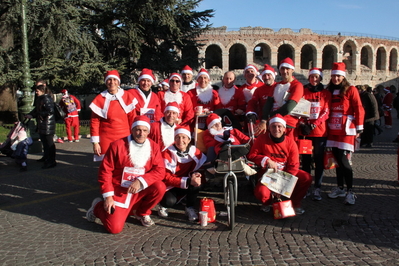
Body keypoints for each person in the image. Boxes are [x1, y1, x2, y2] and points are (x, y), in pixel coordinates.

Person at [86, 116, 166, 234]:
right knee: (114, 228)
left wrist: (141, 181)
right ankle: (97, 206)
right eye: (138, 130)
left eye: (144, 130)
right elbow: (105, 171)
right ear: (132, 130)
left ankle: (142, 213)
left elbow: (160, 170)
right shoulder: (117, 145)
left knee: (160, 187)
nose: (141, 134)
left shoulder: (153, 146)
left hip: (140, 188)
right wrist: (108, 196)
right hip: (120, 190)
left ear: (149, 132)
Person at [248, 115, 312, 214]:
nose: (276, 129)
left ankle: (295, 203)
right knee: (261, 193)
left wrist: (282, 186)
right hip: (268, 175)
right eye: (273, 126)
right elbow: (252, 155)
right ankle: (268, 203)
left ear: (284, 129)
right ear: (269, 128)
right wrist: (266, 160)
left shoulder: (290, 142)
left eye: (279, 126)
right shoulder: (262, 139)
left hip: (286, 174)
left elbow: (294, 165)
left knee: (306, 178)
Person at [326, 62, 365, 205]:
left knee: (344, 160)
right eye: (333, 76)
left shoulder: (351, 89)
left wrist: (359, 128)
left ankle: (350, 191)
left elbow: (358, 108)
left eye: (338, 76)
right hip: (332, 128)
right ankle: (340, 187)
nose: (335, 78)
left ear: (343, 77)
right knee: (336, 160)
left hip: (346, 130)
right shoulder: (329, 90)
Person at [159, 127, 207, 221]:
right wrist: (188, 181)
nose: (180, 141)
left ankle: (189, 207)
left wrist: (196, 175)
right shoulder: (168, 152)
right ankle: (163, 205)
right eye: (177, 137)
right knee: (169, 202)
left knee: (197, 182)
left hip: (187, 182)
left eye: (184, 137)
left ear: (189, 140)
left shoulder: (194, 151)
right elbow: (166, 177)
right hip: (170, 185)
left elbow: (201, 167)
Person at [298, 68, 331, 201]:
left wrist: (313, 124)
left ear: (321, 78)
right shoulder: (304, 91)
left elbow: (326, 112)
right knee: (305, 161)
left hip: (319, 132)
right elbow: (299, 109)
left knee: (318, 160)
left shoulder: (325, 93)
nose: (314, 79)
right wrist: (303, 123)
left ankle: (317, 187)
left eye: (316, 77)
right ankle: (306, 187)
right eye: (312, 77)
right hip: (305, 132)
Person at [89, 70, 138, 161]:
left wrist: (134, 137)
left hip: (125, 136)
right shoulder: (100, 99)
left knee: (124, 162)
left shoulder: (127, 96)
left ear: (118, 81)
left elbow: (133, 119)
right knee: (107, 164)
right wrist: (95, 142)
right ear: (105, 82)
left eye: (114, 79)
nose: (112, 82)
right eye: (109, 79)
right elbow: (94, 122)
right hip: (106, 138)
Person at [260, 58, 304, 138]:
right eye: (282, 69)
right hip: (274, 123)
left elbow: (288, 108)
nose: (284, 71)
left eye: (287, 69)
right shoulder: (276, 85)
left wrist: (270, 116)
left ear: (292, 70)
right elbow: (268, 104)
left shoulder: (297, 85)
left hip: (288, 124)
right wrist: (264, 120)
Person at [26, 85, 57, 169]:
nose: (36, 93)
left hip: (47, 124)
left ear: (42, 91)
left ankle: (51, 161)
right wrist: (32, 114)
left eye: (37, 91)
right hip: (43, 124)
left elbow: (50, 111)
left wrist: (36, 115)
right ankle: (47, 158)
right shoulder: (41, 99)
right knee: (45, 143)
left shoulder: (46, 98)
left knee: (49, 143)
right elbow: (37, 109)